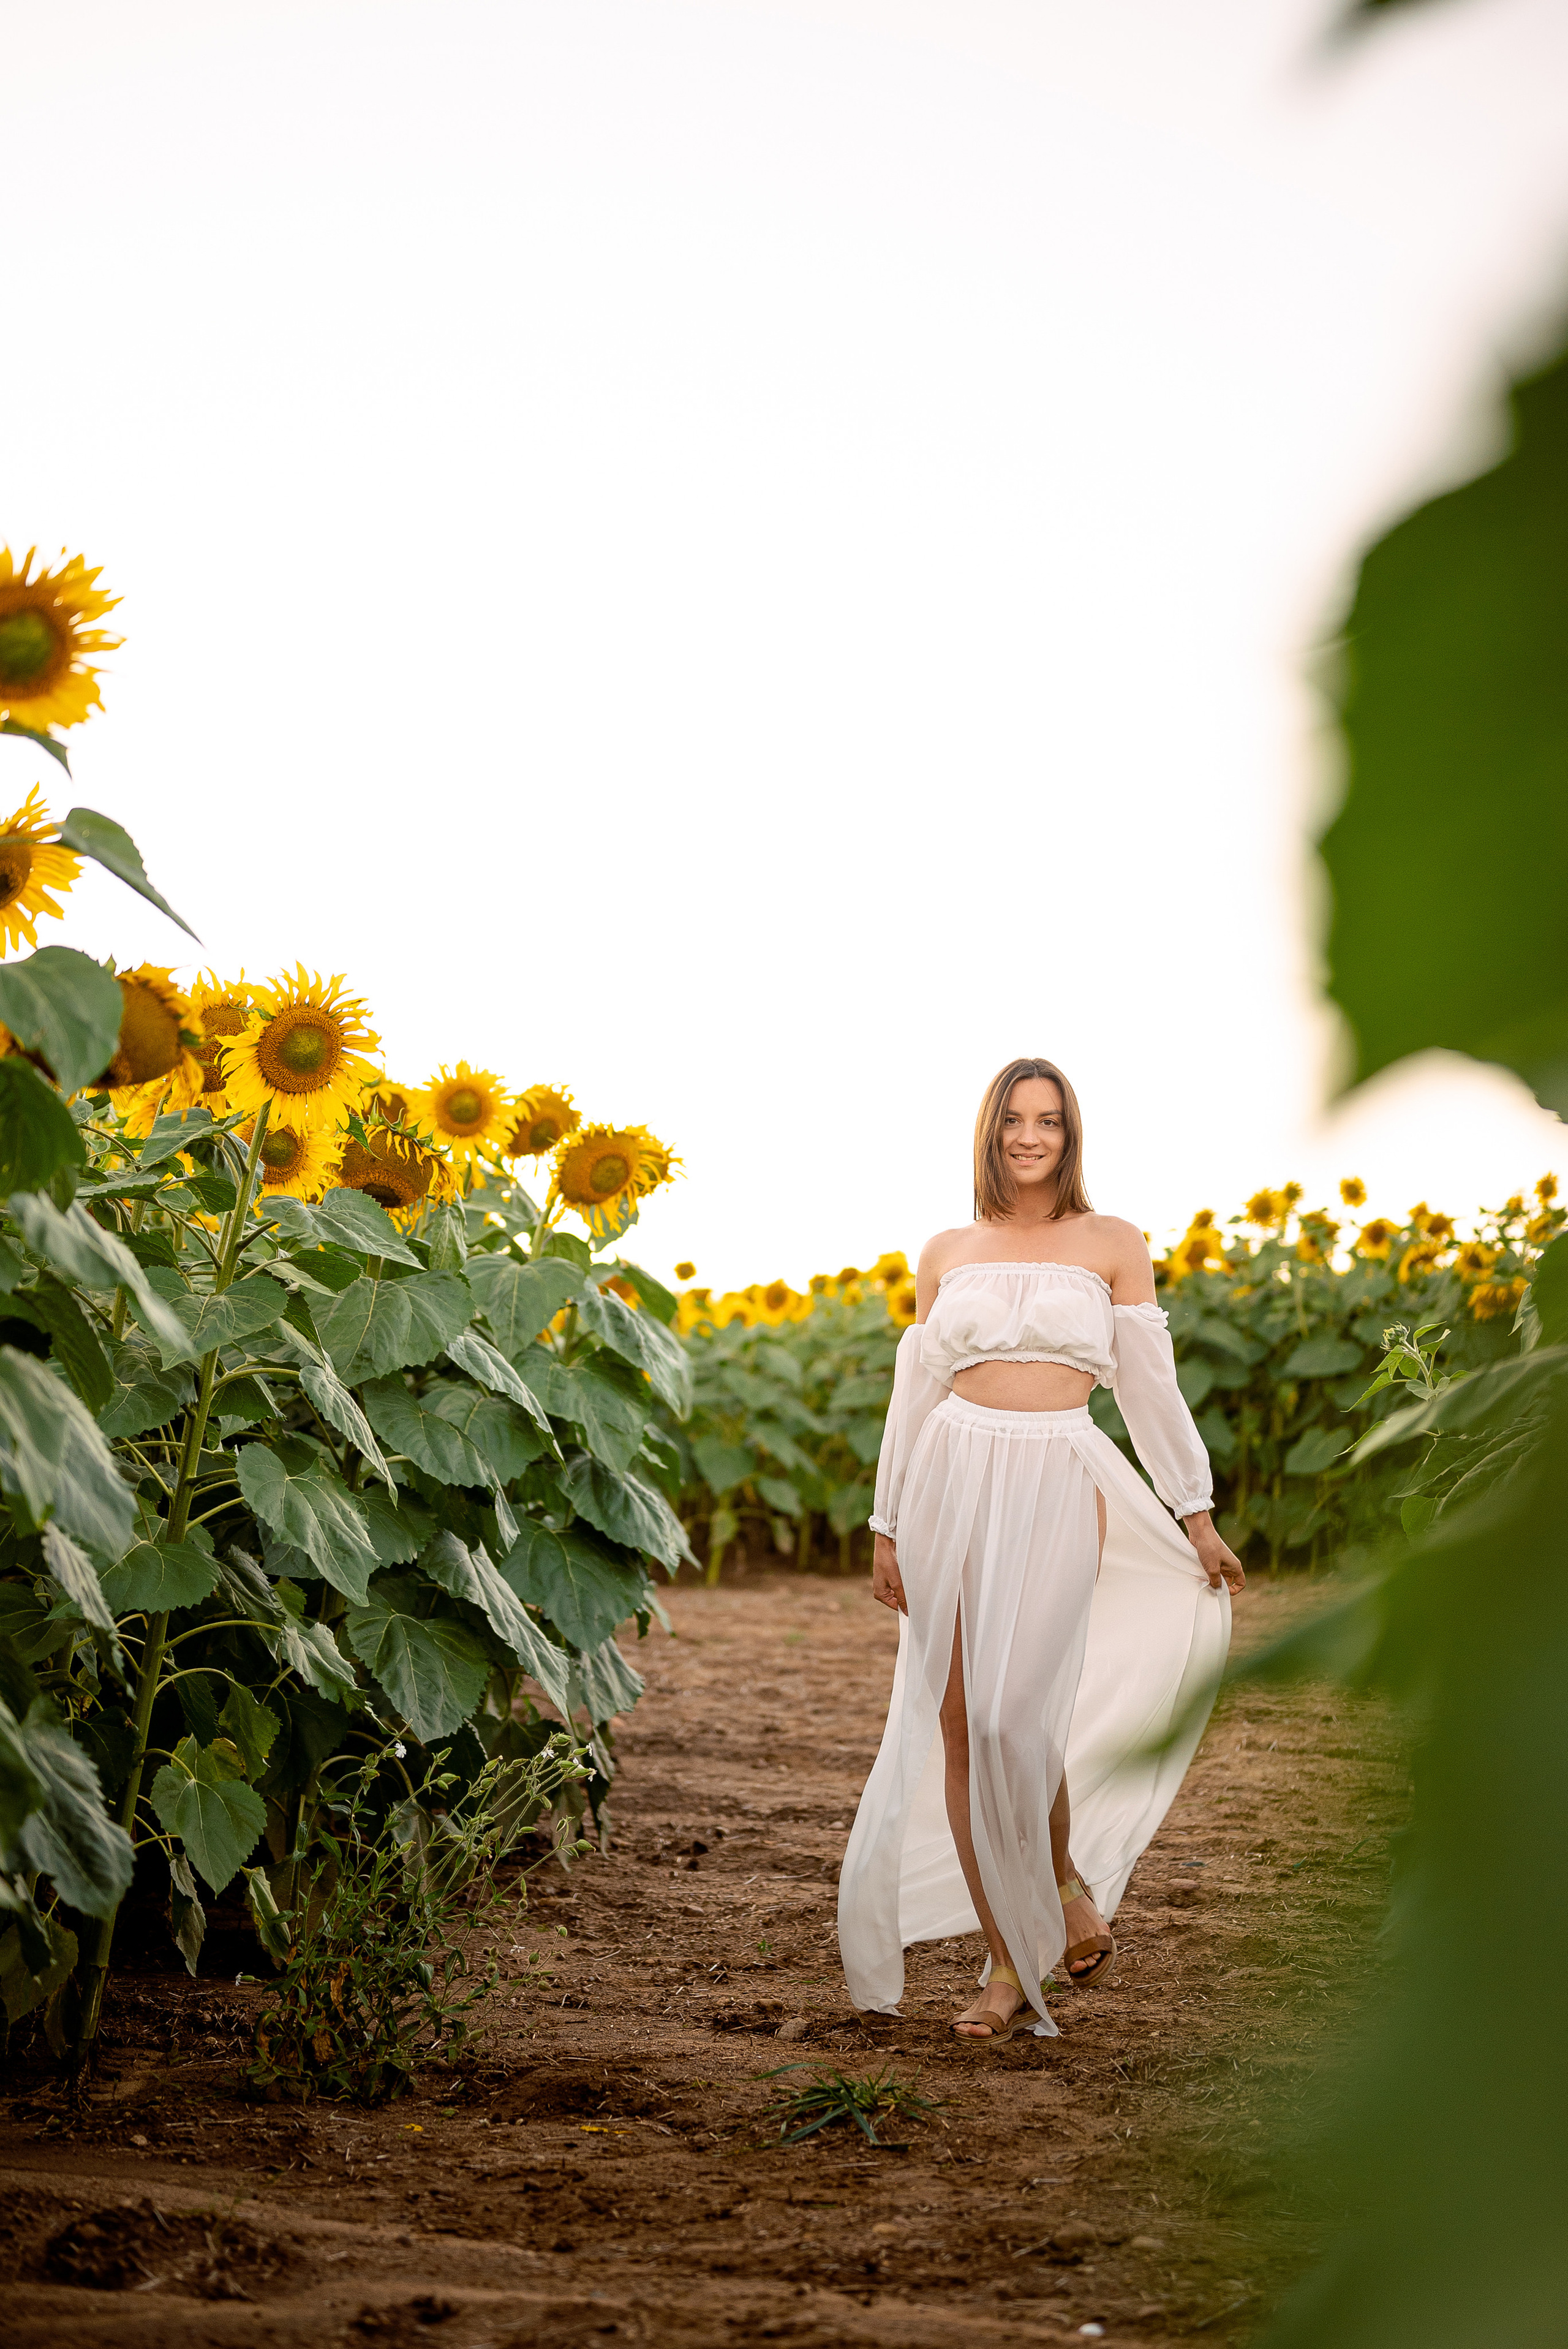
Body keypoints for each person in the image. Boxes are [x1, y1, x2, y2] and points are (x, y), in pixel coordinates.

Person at [836, 1057, 1244, 2042]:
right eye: (1015, 1119)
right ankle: (1016, 1949)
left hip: (1061, 1476)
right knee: (965, 1725)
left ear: (1070, 1135)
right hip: (950, 1479)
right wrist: (887, 1522)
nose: (1030, 1136)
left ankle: (1043, 1908)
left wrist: (1195, 1509)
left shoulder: (1112, 1243)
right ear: (991, 1131)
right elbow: (914, 1396)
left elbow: (1149, 1388)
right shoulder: (946, 1249)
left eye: (1050, 1121)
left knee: (1021, 1721)